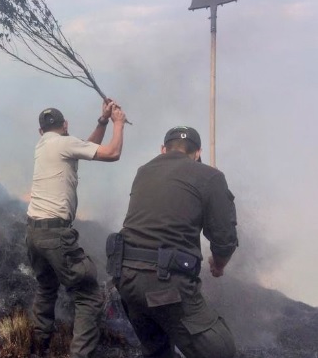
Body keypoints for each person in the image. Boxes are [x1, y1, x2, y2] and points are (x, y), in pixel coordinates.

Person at [109, 126, 238, 358]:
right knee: (223, 351)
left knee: (157, 350)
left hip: (125, 277)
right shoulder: (211, 176)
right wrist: (218, 265)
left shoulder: (143, 171)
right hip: (166, 284)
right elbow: (224, 239)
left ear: (162, 149)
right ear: (198, 152)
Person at [26, 101, 126, 358]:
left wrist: (102, 121)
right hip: (56, 234)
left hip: (34, 232)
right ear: (65, 125)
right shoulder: (64, 143)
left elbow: (86, 147)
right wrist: (118, 123)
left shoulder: (45, 144)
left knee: (46, 287)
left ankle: (38, 348)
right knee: (88, 295)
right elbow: (112, 153)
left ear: (41, 131)